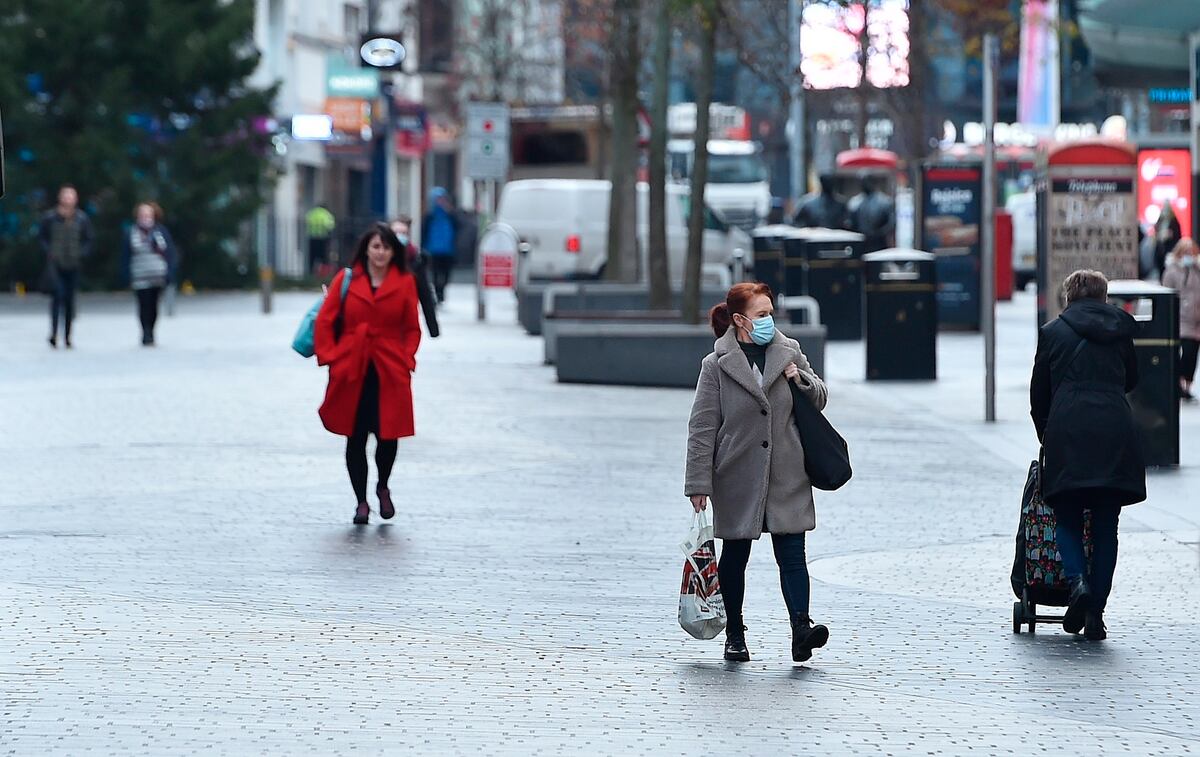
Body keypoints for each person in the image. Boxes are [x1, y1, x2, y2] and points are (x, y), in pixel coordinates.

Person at [685, 281, 830, 663]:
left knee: (793, 554)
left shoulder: (789, 352)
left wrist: (800, 379)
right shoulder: (715, 365)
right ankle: (734, 632)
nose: (769, 321)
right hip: (737, 473)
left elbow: (820, 398)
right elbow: (702, 428)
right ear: (740, 320)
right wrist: (698, 483)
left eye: (771, 313)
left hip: (787, 470)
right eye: (761, 315)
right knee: (735, 555)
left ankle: (802, 629)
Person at [1030, 269, 1146, 641]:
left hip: (1068, 432)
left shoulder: (1052, 333)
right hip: (1114, 431)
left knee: (1066, 516)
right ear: (1103, 297)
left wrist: (1046, 432)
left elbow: (1039, 394)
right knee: (1105, 526)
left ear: (1069, 297)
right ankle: (1096, 610)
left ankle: (1077, 583)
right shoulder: (1121, 330)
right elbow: (1131, 380)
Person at [315, 224, 423, 525]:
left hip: (389, 368)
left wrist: (406, 359)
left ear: (393, 252)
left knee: (389, 435)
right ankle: (361, 502)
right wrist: (333, 357)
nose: (380, 253)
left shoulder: (404, 282)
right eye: (376, 246)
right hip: (353, 367)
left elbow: (412, 328)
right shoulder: (347, 280)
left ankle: (383, 486)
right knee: (356, 436)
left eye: (386, 247)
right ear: (366, 249)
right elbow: (326, 320)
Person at [38, 185, 93, 348]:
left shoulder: (82, 218)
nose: (69, 199)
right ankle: (54, 333)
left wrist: (82, 253)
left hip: (74, 264)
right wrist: (48, 251)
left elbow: (89, 239)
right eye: (66, 195)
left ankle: (68, 335)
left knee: (70, 300)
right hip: (56, 264)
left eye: (71, 196)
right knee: (57, 297)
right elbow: (42, 237)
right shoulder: (50, 218)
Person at [120, 202, 177, 346]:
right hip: (139, 274)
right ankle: (145, 332)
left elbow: (169, 253)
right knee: (142, 304)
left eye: (148, 214)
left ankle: (151, 330)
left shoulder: (160, 232)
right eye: (142, 214)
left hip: (157, 274)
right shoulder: (131, 232)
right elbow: (125, 255)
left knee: (153, 305)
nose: (145, 217)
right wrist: (125, 274)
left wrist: (170, 272)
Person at [1161, 237, 1200, 401]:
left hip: (1196, 320)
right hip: (1180, 319)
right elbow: (1167, 294)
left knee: (1192, 355)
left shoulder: (1197, 270)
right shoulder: (1171, 272)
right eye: (1186, 252)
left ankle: (1187, 384)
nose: (1189, 255)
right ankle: (1179, 382)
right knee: (1186, 350)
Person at [390, 215, 441, 338]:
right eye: (396, 232)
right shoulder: (380, 259)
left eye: (403, 233)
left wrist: (433, 328)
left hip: (407, 316)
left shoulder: (416, 259)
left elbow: (425, 294)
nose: (399, 236)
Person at [421, 187, 460, 303]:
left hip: (448, 250)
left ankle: (442, 290)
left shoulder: (450, 216)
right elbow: (424, 232)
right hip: (433, 250)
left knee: (446, 273)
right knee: (436, 273)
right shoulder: (429, 217)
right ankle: (438, 292)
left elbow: (458, 228)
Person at [847, 175, 896, 253]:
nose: (865, 184)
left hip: (879, 243)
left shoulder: (884, 201)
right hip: (860, 243)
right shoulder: (855, 202)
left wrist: (879, 233)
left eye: (867, 181)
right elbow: (850, 223)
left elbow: (891, 223)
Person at [1154, 203, 1182, 282]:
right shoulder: (1160, 220)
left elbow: (1178, 235)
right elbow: (1156, 232)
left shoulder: (1174, 222)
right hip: (1160, 249)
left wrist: (1170, 234)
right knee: (1160, 268)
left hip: (1170, 248)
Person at [306, 205, 336, 275]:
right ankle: (323, 273)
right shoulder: (326, 213)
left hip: (312, 238)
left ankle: (311, 273)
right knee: (323, 257)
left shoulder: (312, 213)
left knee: (312, 257)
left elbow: (307, 222)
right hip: (323, 238)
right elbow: (330, 225)